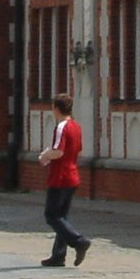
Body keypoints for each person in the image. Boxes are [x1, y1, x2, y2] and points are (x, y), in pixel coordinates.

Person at [37, 92, 92, 267]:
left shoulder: (62, 127)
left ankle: (78, 241)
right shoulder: (76, 127)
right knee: (62, 217)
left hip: (60, 177)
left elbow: (58, 151)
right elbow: (78, 150)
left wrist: (46, 155)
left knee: (51, 216)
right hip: (72, 176)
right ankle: (58, 255)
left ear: (56, 108)